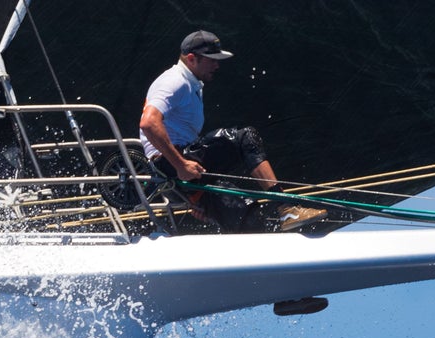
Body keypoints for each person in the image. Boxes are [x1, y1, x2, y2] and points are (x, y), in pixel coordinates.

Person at [138, 30, 323, 232]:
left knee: (243, 208)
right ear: (192, 59)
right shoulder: (175, 81)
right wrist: (180, 165)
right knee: (245, 137)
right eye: (212, 60)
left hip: (181, 168)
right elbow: (148, 123)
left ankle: (265, 242)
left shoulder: (191, 83)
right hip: (169, 165)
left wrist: (196, 199)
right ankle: (286, 207)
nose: (217, 65)